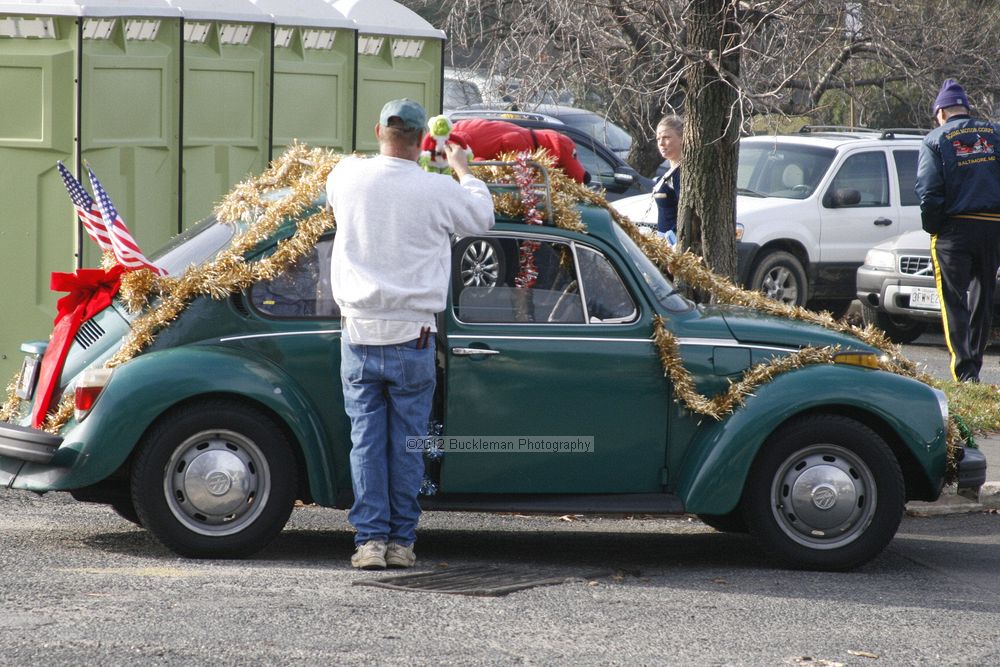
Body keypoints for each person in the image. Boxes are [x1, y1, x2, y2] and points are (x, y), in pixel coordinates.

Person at [327, 99, 495, 569]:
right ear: (424, 140)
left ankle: (369, 542)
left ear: (377, 128)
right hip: (414, 336)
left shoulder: (346, 177)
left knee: (366, 441)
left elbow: (338, 187)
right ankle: (401, 542)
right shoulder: (435, 190)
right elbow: (482, 218)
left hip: (358, 333)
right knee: (406, 443)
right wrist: (462, 169)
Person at [915, 79, 1000, 383]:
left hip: (955, 229)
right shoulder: (994, 133)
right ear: (965, 108)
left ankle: (963, 372)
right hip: (993, 227)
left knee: (954, 299)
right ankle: (974, 365)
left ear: (940, 112)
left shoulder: (936, 139)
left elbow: (928, 192)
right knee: (983, 295)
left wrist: (933, 227)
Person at [654, 115, 683, 243]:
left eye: (666, 137)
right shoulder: (670, 172)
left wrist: (673, 239)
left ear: (682, 138)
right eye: (658, 138)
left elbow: (689, 213)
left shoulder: (681, 173)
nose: (661, 143)